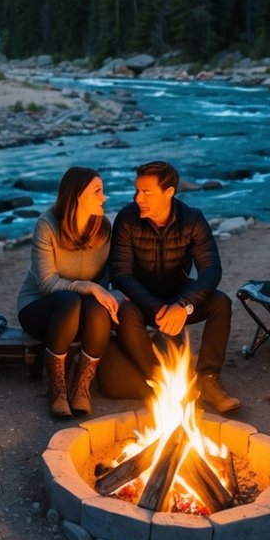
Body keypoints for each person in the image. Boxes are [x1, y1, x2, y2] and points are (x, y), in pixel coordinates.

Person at [110, 159, 240, 414]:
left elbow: (211, 270)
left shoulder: (192, 219)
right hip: (142, 299)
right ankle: (159, 381)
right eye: (137, 190)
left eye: (146, 192)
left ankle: (209, 379)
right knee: (124, 311)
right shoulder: (127, 218)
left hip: (180, 294)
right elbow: (121, 274)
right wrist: (159, 308)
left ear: (169, 192)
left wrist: (184, 305)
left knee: (221, 303)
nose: (138, 198)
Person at [17, 166, 119, 418]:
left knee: (98, 306)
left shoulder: (104, 228)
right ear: (76, 196)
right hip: (40, 308)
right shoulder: (47, 225)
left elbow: (109, 276)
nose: (103, 197)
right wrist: (89, 286)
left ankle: (82, 387)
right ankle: (58, 389)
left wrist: (112, 293)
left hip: (84, 311)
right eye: (97, 191)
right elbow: (47, 283)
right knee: (70, 301)